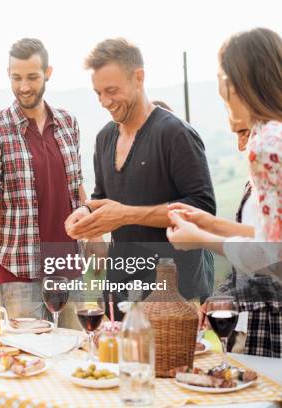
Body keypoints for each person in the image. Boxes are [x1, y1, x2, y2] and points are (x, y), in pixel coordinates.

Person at [65, 38, 217, 316]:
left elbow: (202, 209)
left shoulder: (175, 134)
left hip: (172, 293)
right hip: (120, 288)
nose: (104, 102)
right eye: (98, 93)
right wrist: (85, 211)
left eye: (111, 90)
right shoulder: (104, 138)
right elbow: (102, 197)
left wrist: (126, 215)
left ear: (139, 78)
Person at [167, 28, 282, 357]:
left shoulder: (268, 143)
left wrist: (199, 239)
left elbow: (272, 257)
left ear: (234, 82)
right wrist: (210, 225)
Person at [0, 38, 93, 326]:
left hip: (68, 264)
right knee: (28, 358)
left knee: (76, 353)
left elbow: (77, 185)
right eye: (17, 77)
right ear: (9, 74)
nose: (24, 87)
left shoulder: (67, 123)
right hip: (19, 270)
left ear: (48, 73)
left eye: (32, 77)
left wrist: (94, 236)